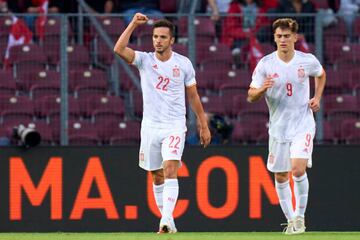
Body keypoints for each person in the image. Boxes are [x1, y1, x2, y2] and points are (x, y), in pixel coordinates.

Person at [113, 13, 211, 233]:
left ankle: (165, 219)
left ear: (172, 40)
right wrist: (132, 25)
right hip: (150, 126)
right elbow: (119, 49)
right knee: (156, 175)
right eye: (155, 36)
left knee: (170, 169)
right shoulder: (145, 60)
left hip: (174, 125)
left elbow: (193, 96)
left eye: (163, 37)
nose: (158, 40)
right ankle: (169, 221)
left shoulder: (183, 64)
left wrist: (203, 124)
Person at [247, 18, 326, 235]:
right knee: (281, 176)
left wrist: (317, 97)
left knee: (298, 169)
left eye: (287, 36)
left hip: (302, 124)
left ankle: (300, 217)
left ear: (295, 37)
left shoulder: (306, 60)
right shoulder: (265, 64)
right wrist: (262, 89)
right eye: (279, 36)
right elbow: (251, 96)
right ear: (274, 38)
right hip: (279, 129)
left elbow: (320, 74)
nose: (283, 40)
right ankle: (291, 220)